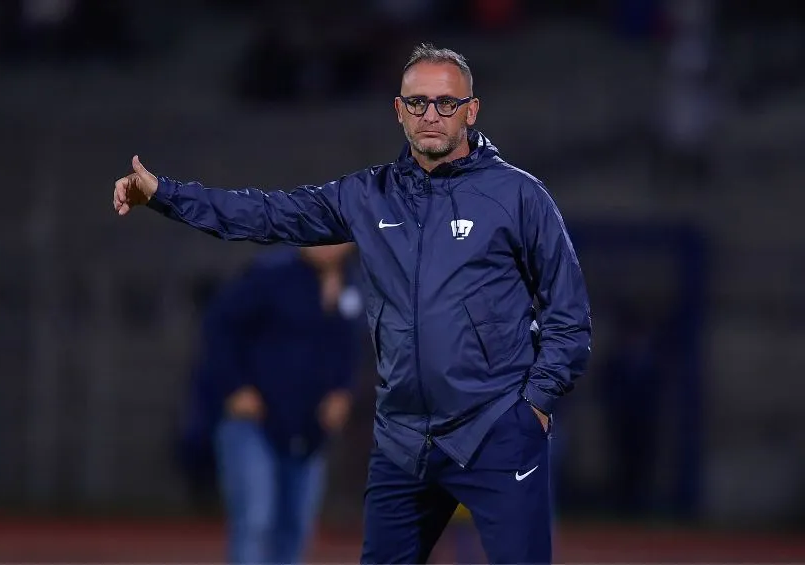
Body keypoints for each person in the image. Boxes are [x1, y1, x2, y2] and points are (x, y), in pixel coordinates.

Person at [113, 43, 593, 565]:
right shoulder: (368, 196)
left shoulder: (519, 197)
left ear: (471, 111)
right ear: (398, 110)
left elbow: (569, 316)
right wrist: (163, 194)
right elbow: (266, 214)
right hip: (404, 442)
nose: (430, 115)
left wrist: (533, 407)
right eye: (417, 103)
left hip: (496, 431)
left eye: (446, 103)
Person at [181, 243, 362, 564]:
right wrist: (235, 388)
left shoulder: (354, 285)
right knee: (255, 519)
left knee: (295, 526)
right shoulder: (270, 274)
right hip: (254, 424)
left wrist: (342, 392)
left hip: (310, 429)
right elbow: (219, 325)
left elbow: (350, 349)